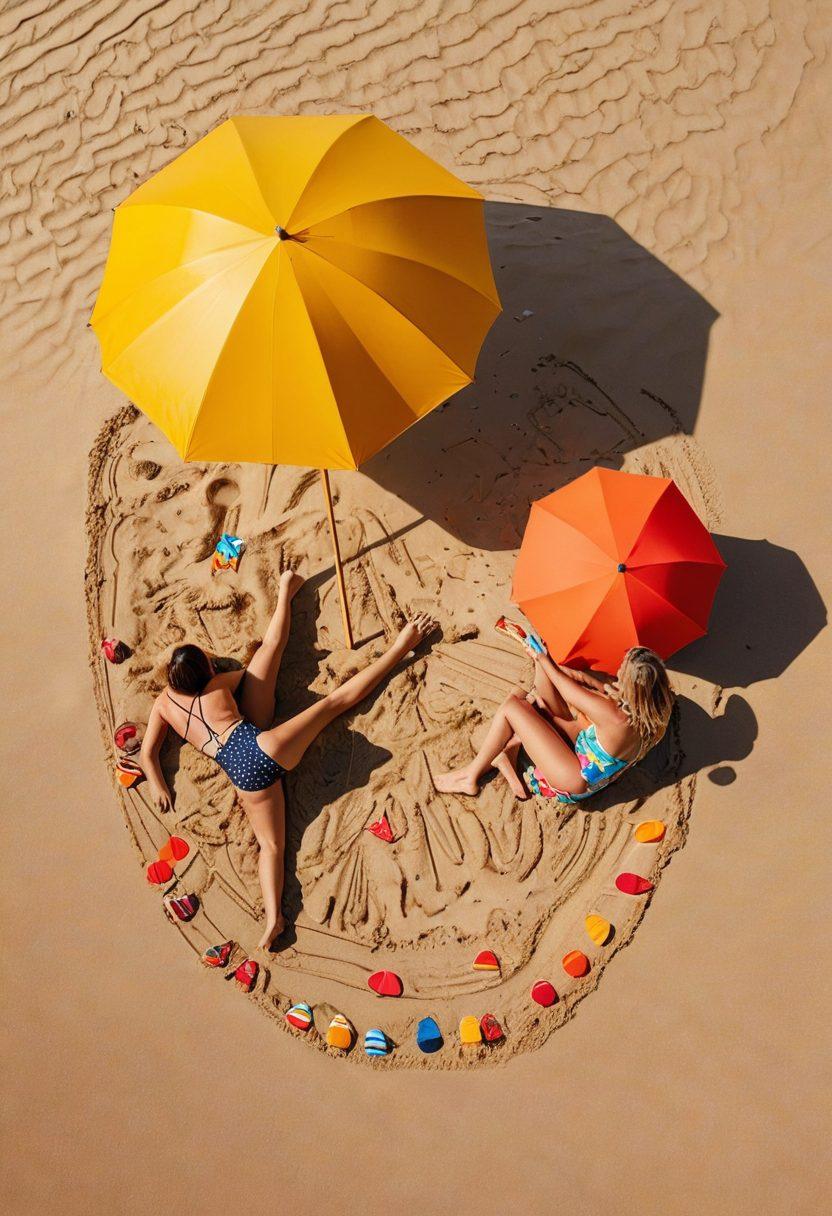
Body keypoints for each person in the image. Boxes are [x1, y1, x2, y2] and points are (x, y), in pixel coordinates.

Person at [140, 568, 436, 949]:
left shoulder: (163, 705)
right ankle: (398, 644)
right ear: (207, 671)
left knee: (272, 847)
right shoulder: (216, 686)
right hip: (260, 743)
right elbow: (246, 675)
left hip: (242, 775)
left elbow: (149, 754)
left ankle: (274, 918)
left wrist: (158, 785)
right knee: (329, 699)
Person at [434, 638, 674, 805]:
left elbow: (569, 693)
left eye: (623, 671)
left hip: (576, 780)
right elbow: (604, 696)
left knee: (513, 706)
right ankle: (508, 756)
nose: (619, 671)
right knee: (532, 691)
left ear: (632, 687)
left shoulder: (615, 716)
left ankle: (470, 777)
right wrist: (565, 672)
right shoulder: (659, 705)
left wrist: (543, 657)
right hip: (588, 753)